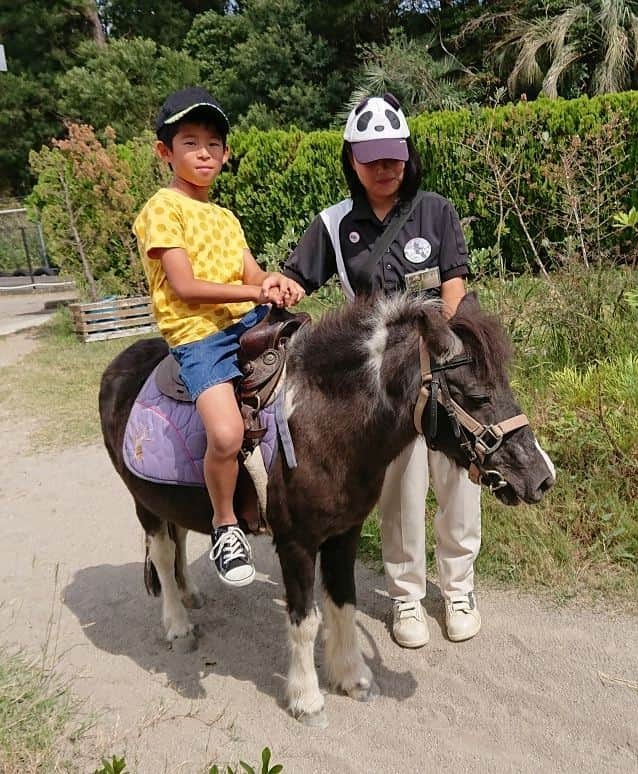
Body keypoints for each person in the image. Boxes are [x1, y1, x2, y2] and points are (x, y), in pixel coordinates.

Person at [282, 94, 482, 647]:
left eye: (393, 156)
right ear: (351, 160)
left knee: (457, 483)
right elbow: (299, 278)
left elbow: (454, 283)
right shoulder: (333, 225)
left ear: (407, 154)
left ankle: (459, 585)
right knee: (398, 490)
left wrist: (445, 347)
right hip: (383, 390)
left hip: (440, 372)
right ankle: (407, 598)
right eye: (371, 159)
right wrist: (281, 288)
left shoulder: (436, 210)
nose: (384, 168)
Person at [133, 86, 305, 588]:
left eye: (213, 143)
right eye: (190, 142)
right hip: (199, 336)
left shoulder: (227, 217)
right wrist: (254, 289)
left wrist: (274, 284)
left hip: (246, 322)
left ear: (226, 154)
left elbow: (252, 272)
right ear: (165, 152)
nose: (204, 152)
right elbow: (184, 286)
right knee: (227, 434)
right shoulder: (163, 209)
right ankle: (225, 523)